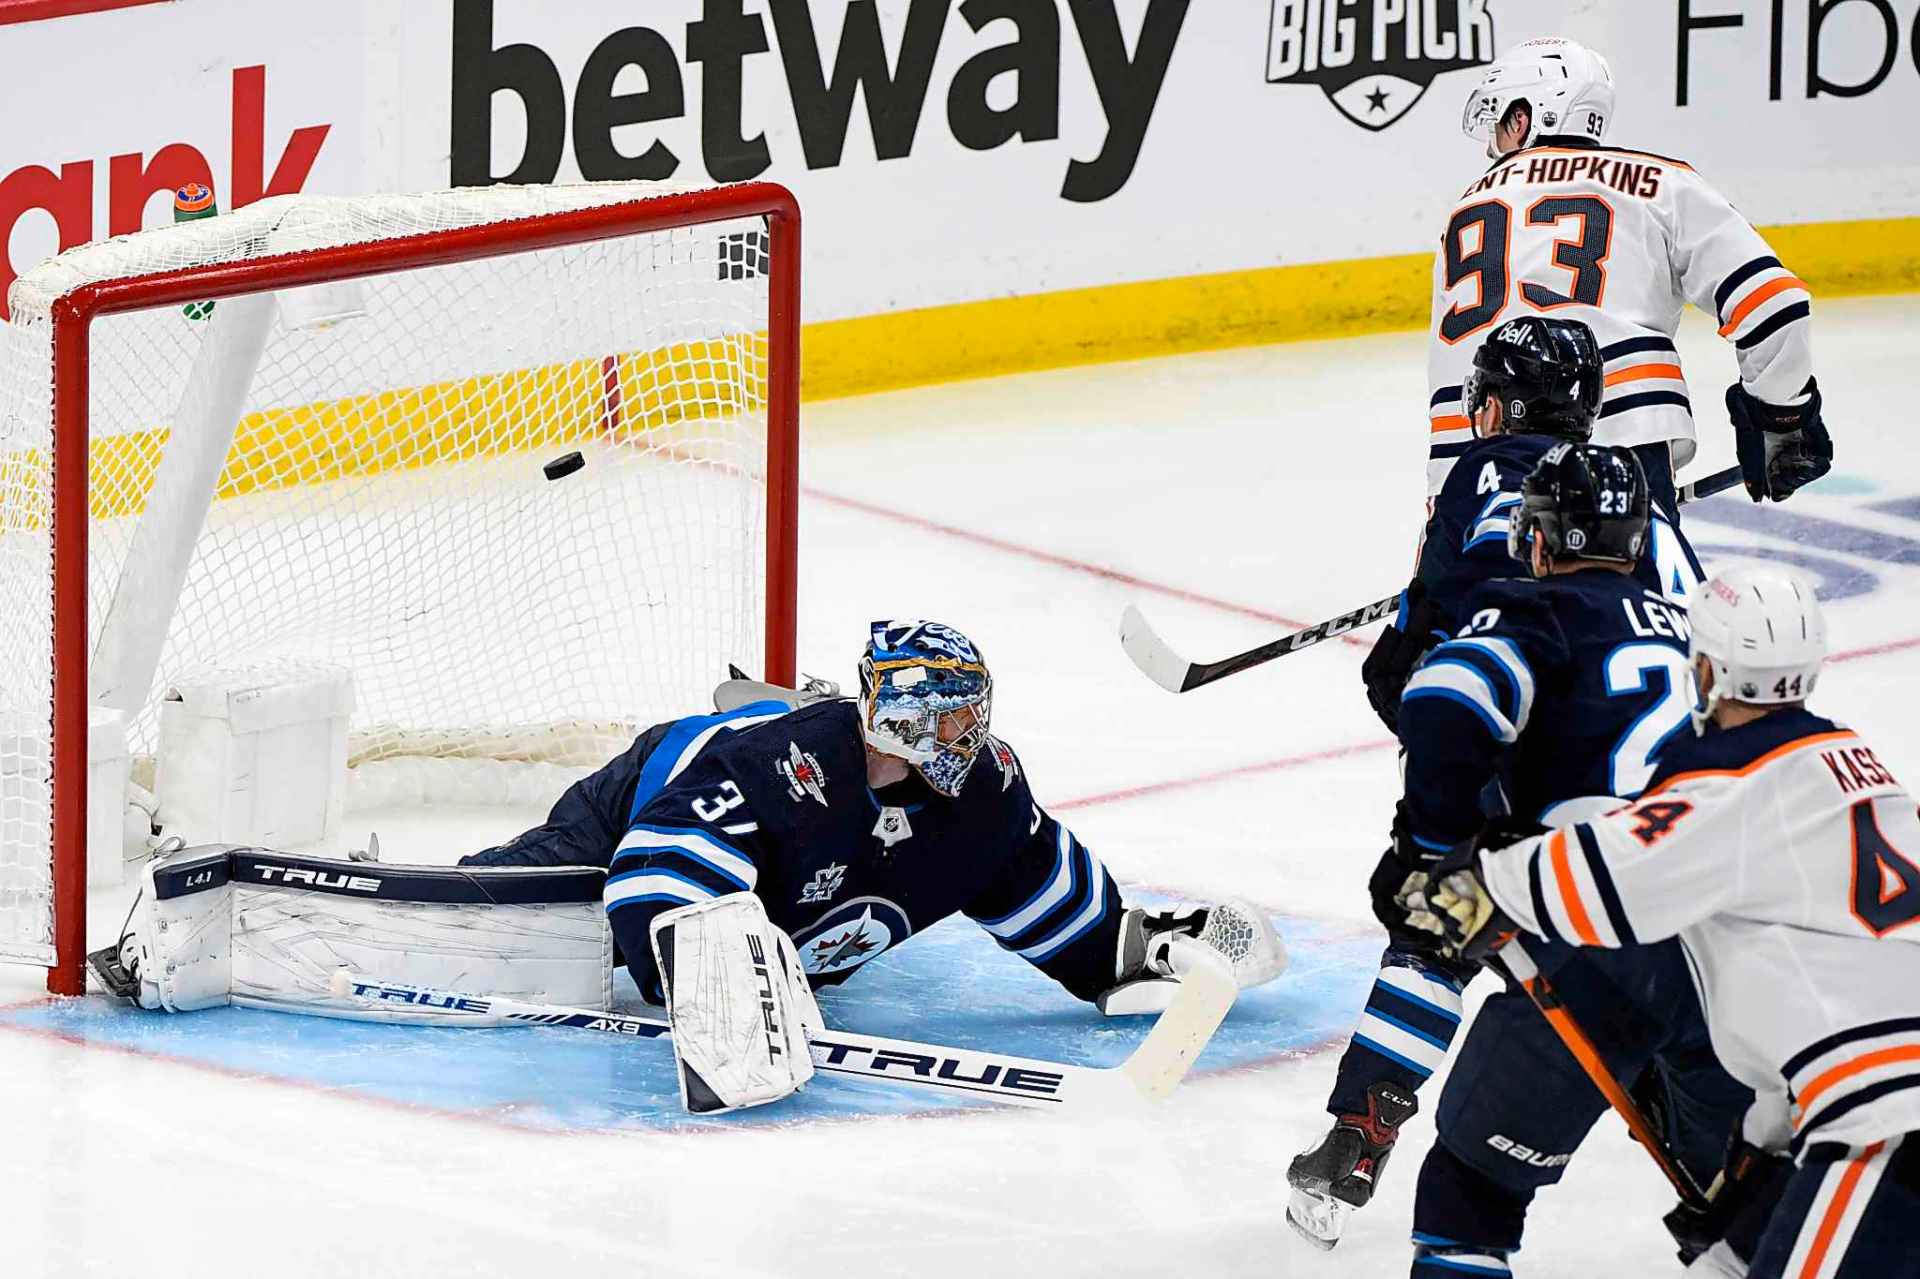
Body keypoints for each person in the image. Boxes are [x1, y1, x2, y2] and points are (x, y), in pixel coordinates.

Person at [1287, 444, 1748, 1267]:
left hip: (1600, 938)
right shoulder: (1703, 632)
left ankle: (1365, 1119)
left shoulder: (1533, 607)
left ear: (1540, 537)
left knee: (1470, 1194)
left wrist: (1428, 848)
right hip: (1733, 949)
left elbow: (1443, 695)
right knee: (1752, 1198)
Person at [1408, 565, 1920, 1277]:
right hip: (1862, 1102)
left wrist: (1481, 880)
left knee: (1473, 1189)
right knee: (1733, 1257)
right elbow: (1837, 1009)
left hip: (1884, 1125)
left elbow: (1607, 877)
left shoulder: (1736, 781)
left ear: (1707, 670)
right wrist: (1753, 1167)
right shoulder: (1864, 774)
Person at [465, 619, 1276, 1015]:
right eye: (951, 720)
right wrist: (710, 979)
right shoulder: (786, 768)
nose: (970, 737)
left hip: (791, 865)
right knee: (539, 908)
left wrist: (1140, 949)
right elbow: (658, 868)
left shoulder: (986, 794)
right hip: (649, 790)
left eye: (974, 717)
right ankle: (447, 891)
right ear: (903, 720)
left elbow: (1056, 903)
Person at [1424, 36, 1830, 520]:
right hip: (1623, 444)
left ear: (1523, 119)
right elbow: (1773, 302)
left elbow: (1450, 370)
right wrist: (1781, 416)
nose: (1493, 144)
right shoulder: (1659, 184)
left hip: (1473, 471)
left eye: (1498, 124)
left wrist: (1443, 510)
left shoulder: (1464, 212)